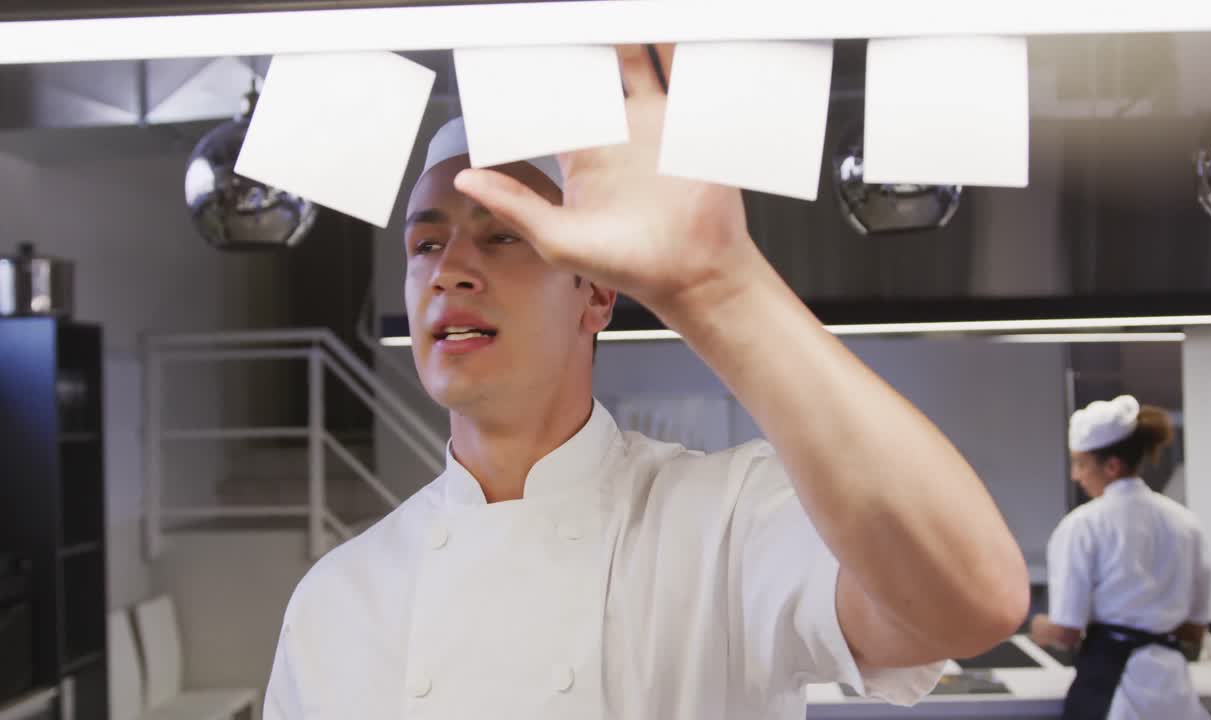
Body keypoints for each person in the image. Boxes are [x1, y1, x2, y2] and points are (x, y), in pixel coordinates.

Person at [264, 45, 1028, 719]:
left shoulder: (723, 529)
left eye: (506, 235)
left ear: (595, 295)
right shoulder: (335, 601)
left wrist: (718, 287)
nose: (448, 271)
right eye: (425, 243)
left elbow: (972, 603)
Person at [1030, 395, 1211, 720]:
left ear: (1111, 466)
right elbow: (1194, 631)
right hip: (1175, 693)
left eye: (1081, 463)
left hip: (1113, 688)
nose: (1076, 475)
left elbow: (1066, 632)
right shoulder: (1187, 523)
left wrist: (1039, 626)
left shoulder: (1083, 525)